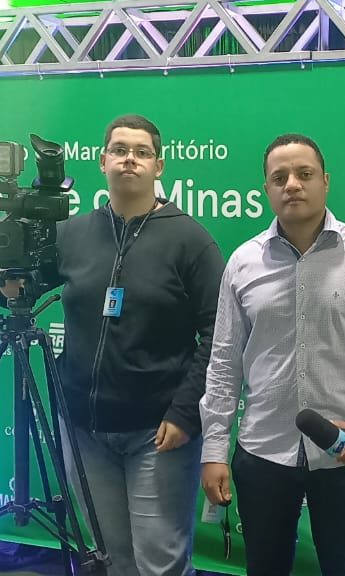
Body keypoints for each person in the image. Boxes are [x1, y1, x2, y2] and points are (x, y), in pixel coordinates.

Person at [2, 114, 225, 576]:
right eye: (120, 150)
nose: (129, 159)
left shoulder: (190, 240)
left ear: (158, 166)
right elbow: (22, 290)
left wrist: (185, 412)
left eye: (142, 152)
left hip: (157, 432)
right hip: (83, 429)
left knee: (160, 564)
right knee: (113, 560)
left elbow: (219, 335)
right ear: (103, 161)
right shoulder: (73, 234)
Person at [200, 133, 345, 576]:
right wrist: (214, 451)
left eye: (304, 174)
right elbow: (224, 364)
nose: (292, 185)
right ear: (266, 189)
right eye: (279, 177)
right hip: (262, 453)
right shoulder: (243, 263)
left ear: (325, 181)